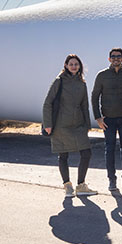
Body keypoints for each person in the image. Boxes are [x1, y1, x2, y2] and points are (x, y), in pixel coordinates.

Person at [43, 54, 97, 197]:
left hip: (78, 124)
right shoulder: (59, 81)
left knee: (86, 153)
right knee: (63, 155)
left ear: (79, 66)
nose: (74, 66)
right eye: (71, 64)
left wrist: (87, 124)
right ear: (66, 66)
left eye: (76, 64)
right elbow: (48, 102)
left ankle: (81, 185)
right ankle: (67, 186)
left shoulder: (82, 83)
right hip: (61, 125)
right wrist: (48, 124)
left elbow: (85, 105)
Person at [91, 47, 122, 191]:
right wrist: (98, 117)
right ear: (109, 59)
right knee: (109, 149)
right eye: (113, 56)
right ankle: (112, 179)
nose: (116, 58)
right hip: (108, 120)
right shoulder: (102, 75)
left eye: (118, 56)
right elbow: (94, 97)